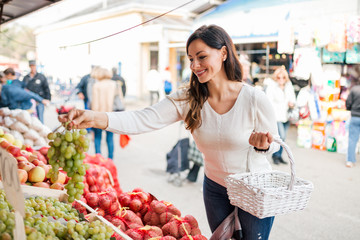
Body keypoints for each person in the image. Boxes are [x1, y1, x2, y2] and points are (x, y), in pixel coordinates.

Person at [59, 25, 280, 240]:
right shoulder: (188, 97)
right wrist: (94, 117)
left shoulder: (253, 98)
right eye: (191, 59)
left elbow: (277, 143)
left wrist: (264, 145)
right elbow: (143, 118)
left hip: (254, 189)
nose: (195, 65)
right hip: (215, 188)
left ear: (223, 53)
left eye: (201, 57)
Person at [266, 66, 296, 165]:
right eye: (279, 77)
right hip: (276, 116)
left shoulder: (289, 85)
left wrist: (291, 103)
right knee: (280, 137)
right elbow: (268, 101)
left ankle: (279, 156)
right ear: (276, 77)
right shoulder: (272, 86)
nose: (281, 80)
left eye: (283, 77)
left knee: (283, 138)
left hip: (286, 115)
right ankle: (275, 156)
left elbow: (292, 98)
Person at [90, 67, 118, 160]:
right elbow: (119, 101)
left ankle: (99, 158)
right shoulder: (115, 84)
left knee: (98, 138)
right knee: (110, 138)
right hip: (112, 115)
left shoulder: (97, 85)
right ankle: (110, 159)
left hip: (99, 115)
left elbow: (95, 103)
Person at [345, 69, 360, 168]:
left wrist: (350, 108)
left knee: (352, 139)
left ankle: (350, 160)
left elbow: (348, 103)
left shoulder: (354, 89)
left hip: (355, 116)